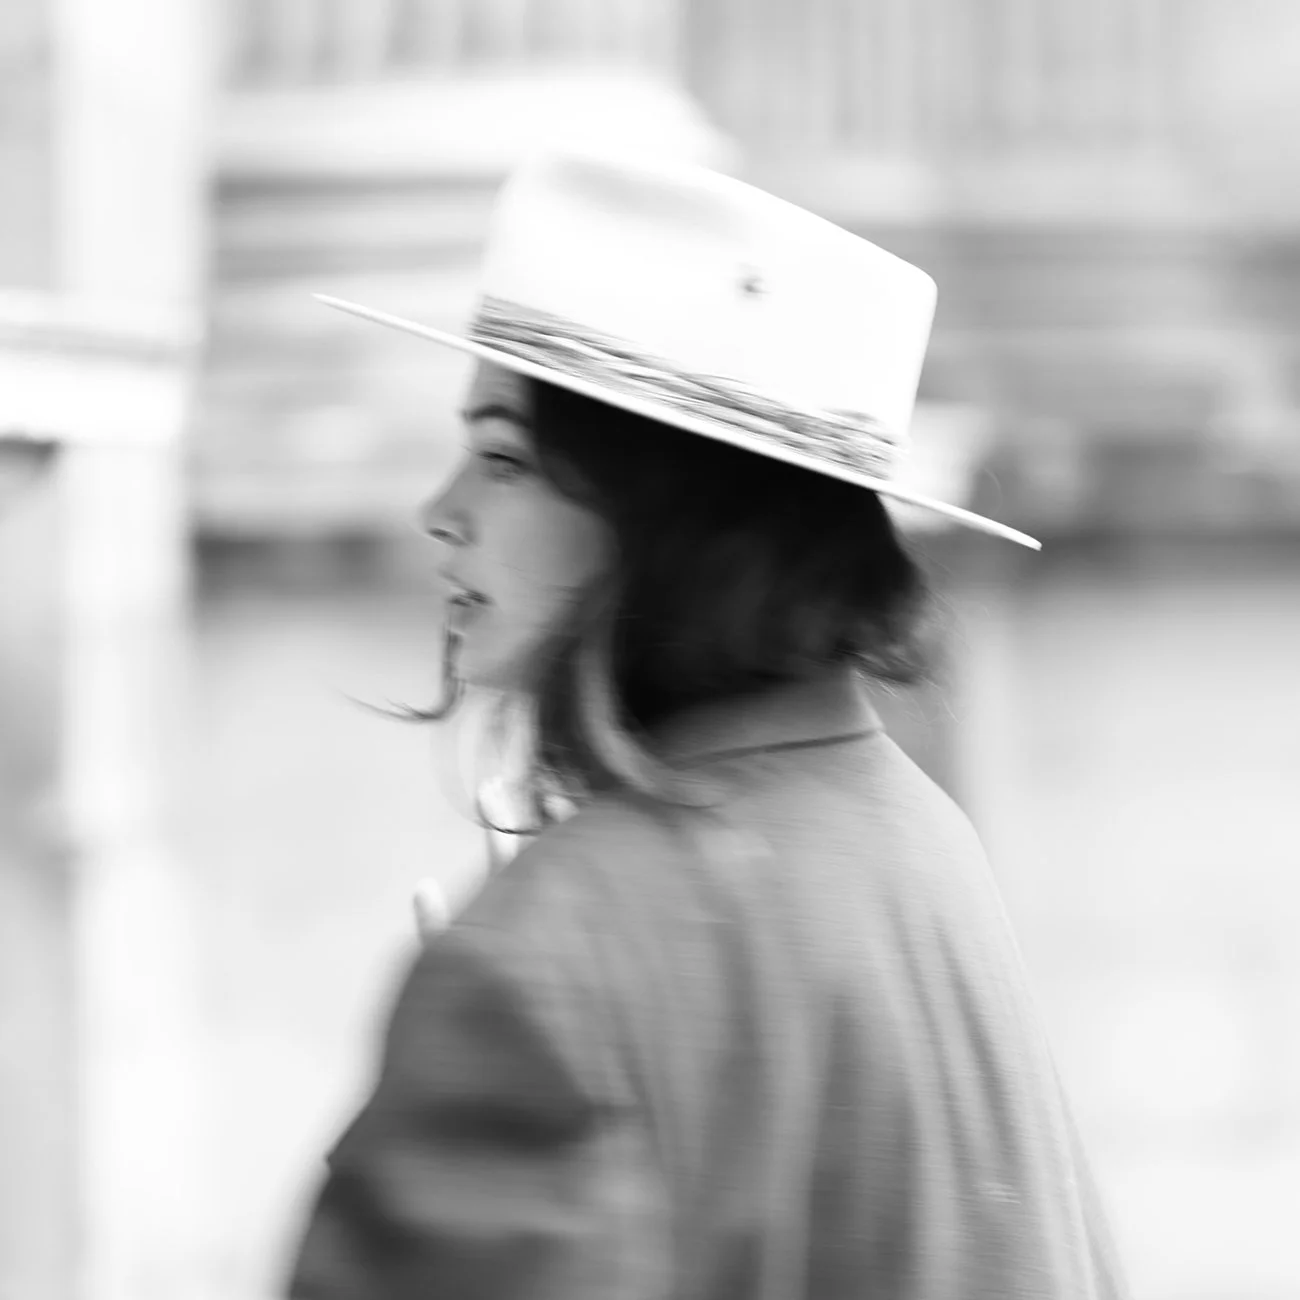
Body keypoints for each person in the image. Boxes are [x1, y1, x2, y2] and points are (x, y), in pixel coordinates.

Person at [286, 151, 1128, 1298]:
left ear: (658, 517)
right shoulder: (914, 836)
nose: (440, 512)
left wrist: (485, 1024)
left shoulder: (541, 968)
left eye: (502, 459)